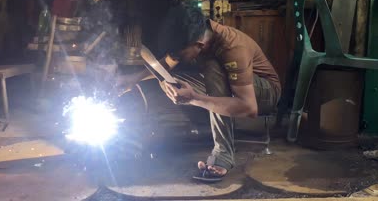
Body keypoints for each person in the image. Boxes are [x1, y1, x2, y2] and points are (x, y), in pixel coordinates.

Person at [118, 18, 281, 182]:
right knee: (170, 79)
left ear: (199, 44)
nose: (176, 57)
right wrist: (132, 79)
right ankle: (206, 123)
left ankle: (223, 154)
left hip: (264, 94)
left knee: (213, 67)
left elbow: (248, 107)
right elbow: (166, 64)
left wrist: (193, 99)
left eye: (179, 53)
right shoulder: (195, 29)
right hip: (235, 87)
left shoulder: (232, 47)